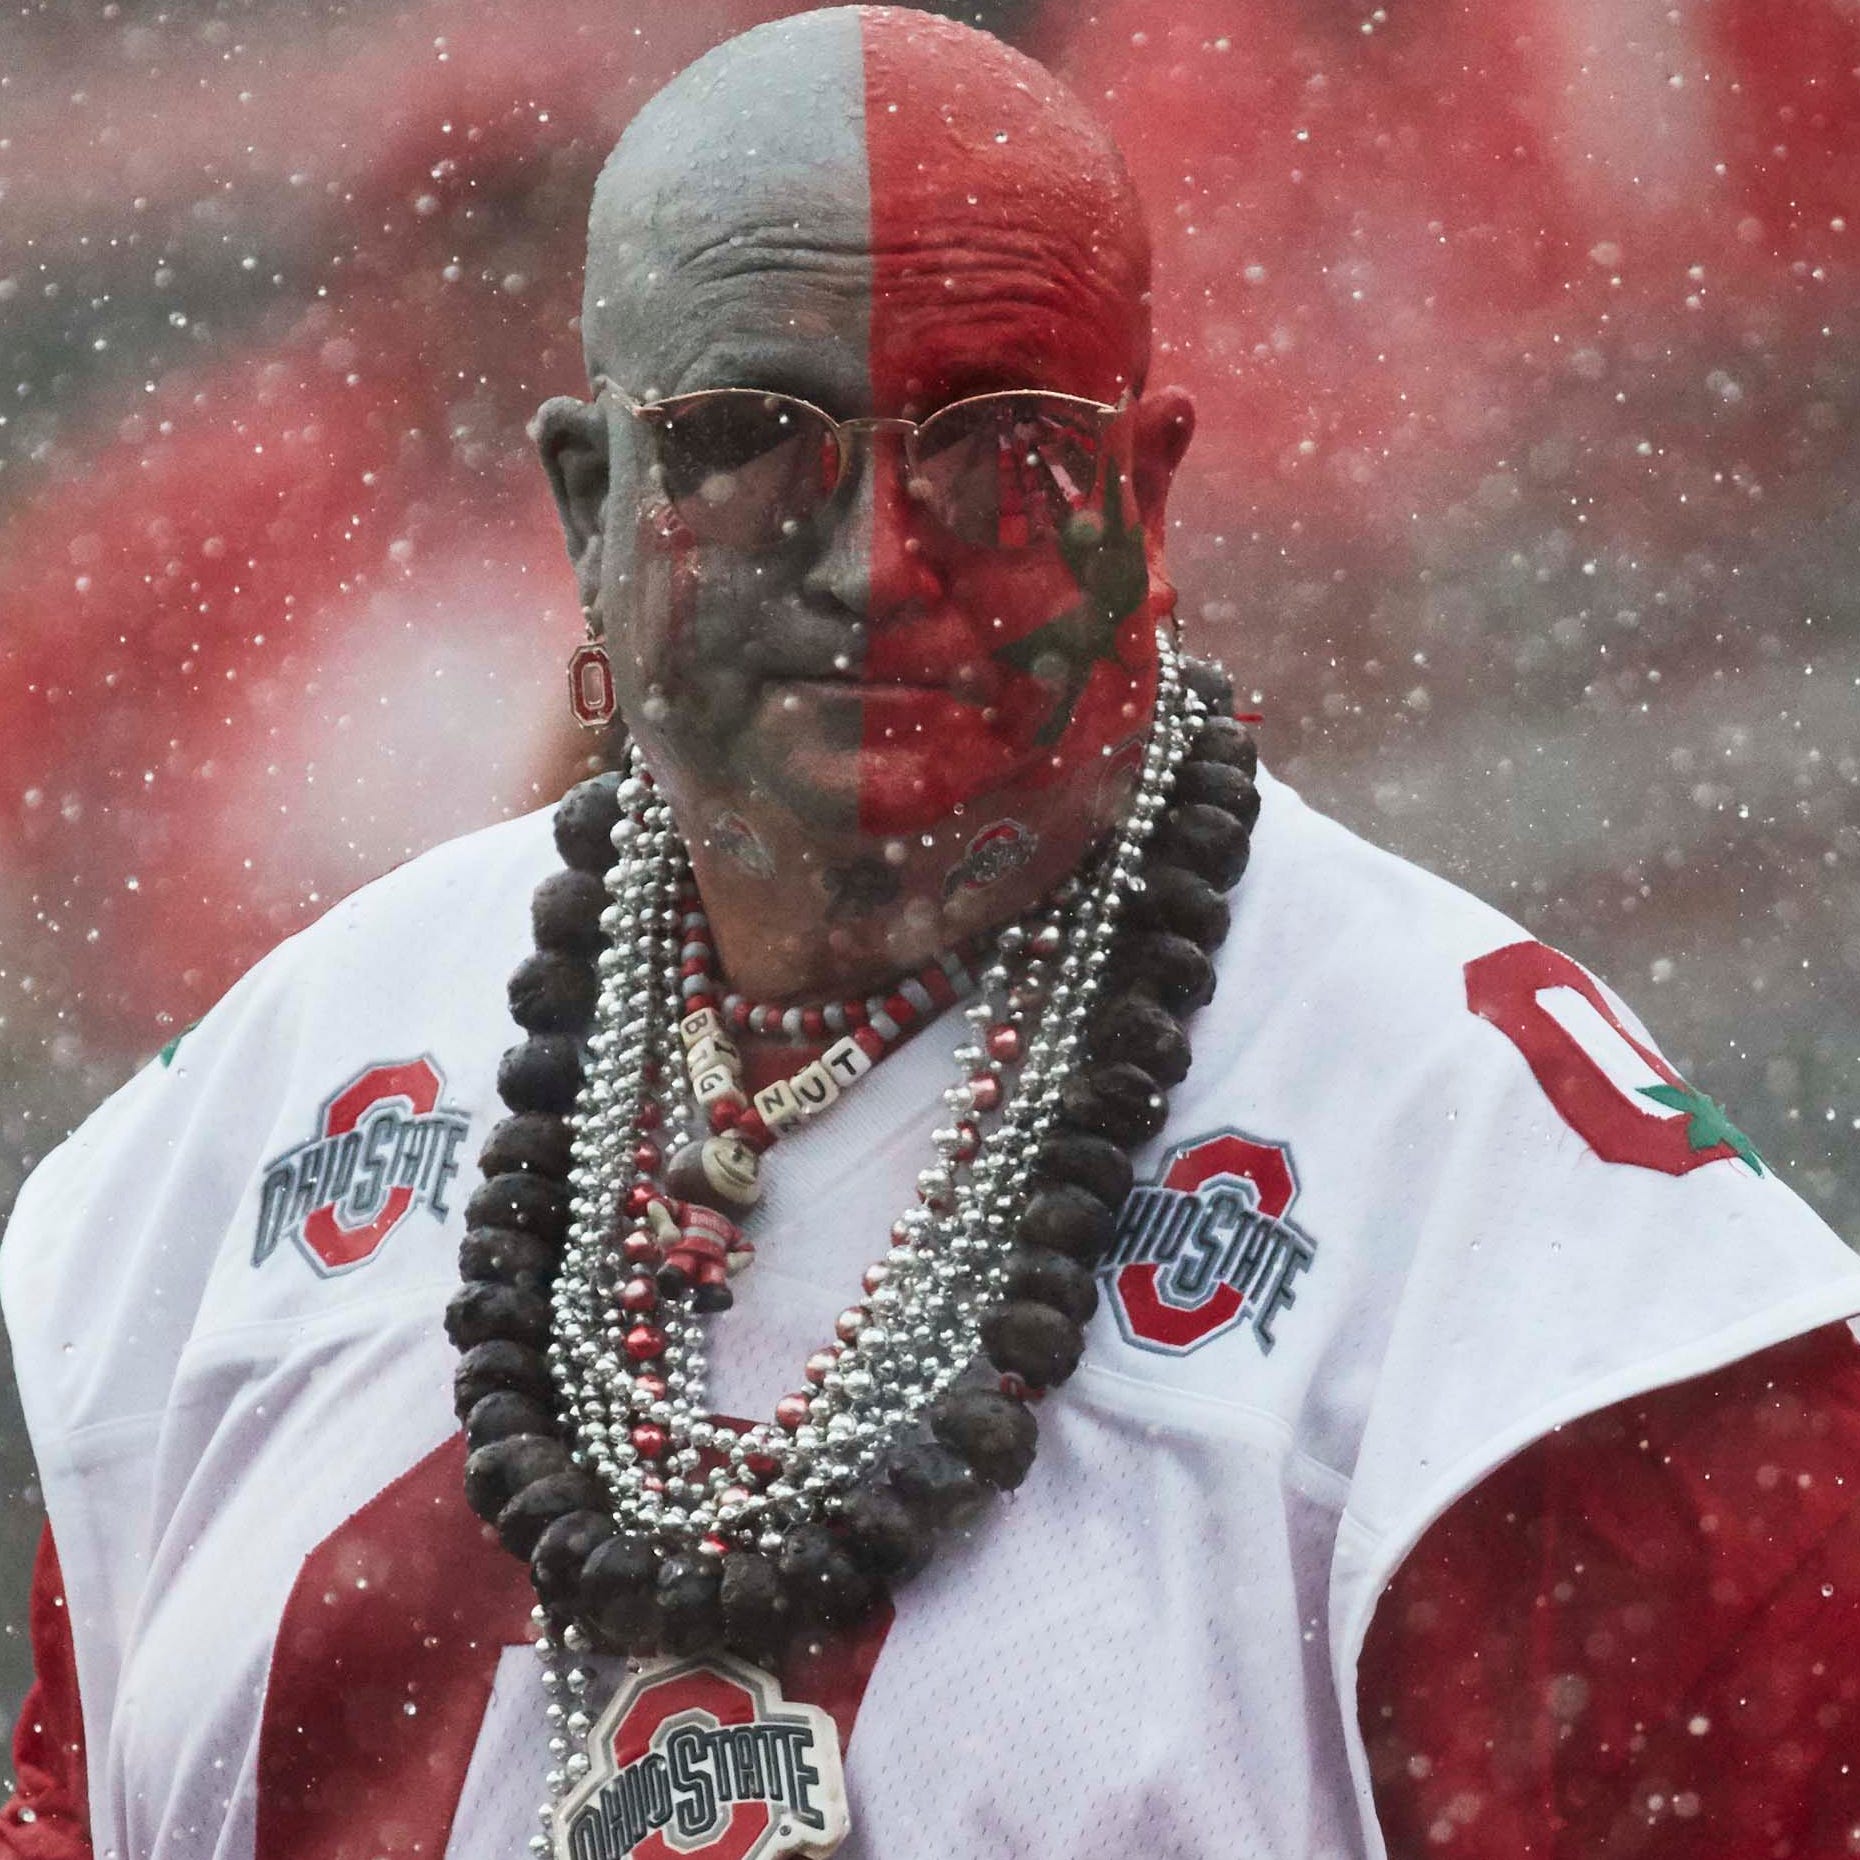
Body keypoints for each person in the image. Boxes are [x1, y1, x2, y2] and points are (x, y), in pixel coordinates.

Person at [4, 10, 1859, 1859]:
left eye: (995, 445)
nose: (878, 557)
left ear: (1147, 496)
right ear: (591, 505)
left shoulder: (1532, 1269)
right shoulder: (240, 1150)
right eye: (750, 441)